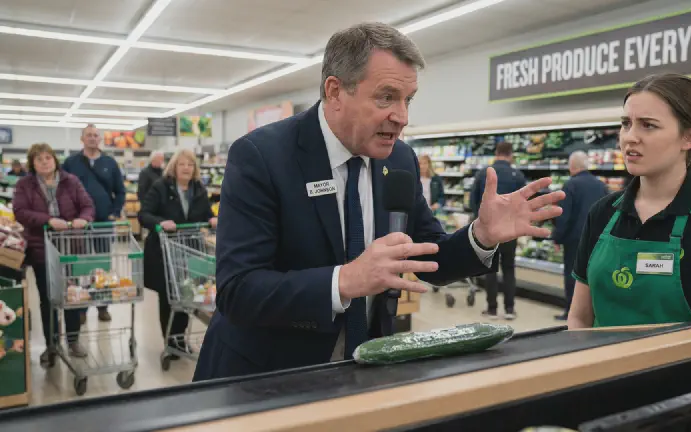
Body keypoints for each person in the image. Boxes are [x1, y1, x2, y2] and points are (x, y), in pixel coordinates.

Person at [193, 22, 564, 381]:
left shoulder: (400, 159)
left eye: (408, 100)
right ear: (335, 92)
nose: (402, 117)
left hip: (364, 371)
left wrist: (481, 236)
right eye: (386, 97)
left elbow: (428, 255)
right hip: (266, 377)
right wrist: (345, 280)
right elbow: (237, 290)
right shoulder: (262, 156)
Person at [568, 73, 691, 329]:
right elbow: (579, 317)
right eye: (626, 123)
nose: (630, 137)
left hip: (685, 370)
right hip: (601, 366)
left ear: (690, 137)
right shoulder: (603, 213)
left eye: (648, 125)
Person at [12, 143, 95, 364]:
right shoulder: (24, 185)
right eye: (39, 159)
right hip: (42, 248)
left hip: (71, 247)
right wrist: (48, 221)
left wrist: (83, 219)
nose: (44, 162)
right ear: (33, 164)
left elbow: (87, 205)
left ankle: (73, 340)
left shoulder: (71, 181)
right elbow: (20, 211)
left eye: (48, 158)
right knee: (47, 299)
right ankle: (51, 344)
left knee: (72, 295)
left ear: (54, 160)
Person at [139, 149, 217, 358]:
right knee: (169, 297)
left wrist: (212, 220)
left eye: (190, 165)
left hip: (190, 249)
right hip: (165, 250)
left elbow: (207, 213)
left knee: (188, 294)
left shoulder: (199, 188)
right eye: (182, 164)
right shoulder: (160, 187)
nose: (186, 168)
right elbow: (144, 214)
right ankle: (170, 341)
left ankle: (180, 339)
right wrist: (160, 222)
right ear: (174, 167)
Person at [62, 124, 126, 323]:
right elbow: (61, 190)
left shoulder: (109, 162)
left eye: (95, 135)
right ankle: (81, 306)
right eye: (88, 135)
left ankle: (102, 306)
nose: (92, 138)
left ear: (100, 139)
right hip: (78, 224)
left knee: (102, 265)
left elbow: (121, 191)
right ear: (82, 138)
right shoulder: (71, 162)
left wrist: (115, 212)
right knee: (80, 265)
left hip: (103, 224)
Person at [470, 142, 527, 320]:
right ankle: (509, 309)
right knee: (509, 268)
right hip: (510, 230)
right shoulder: (517, 175)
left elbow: (473, 202)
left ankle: (492, 309)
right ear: (511, 155)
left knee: (490, 269)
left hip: (489, 230)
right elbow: (525, 203)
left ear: (496, 153)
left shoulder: (483, 174)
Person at [551, 151, 608, 320]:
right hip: (598, 238)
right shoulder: (600, 185)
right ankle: (594, 312)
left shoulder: (570, 185)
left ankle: (572, 312)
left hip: (575, 239)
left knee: (573, 275)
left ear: (572, 166)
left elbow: (564, 215)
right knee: (594, 274)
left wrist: (557, 237)